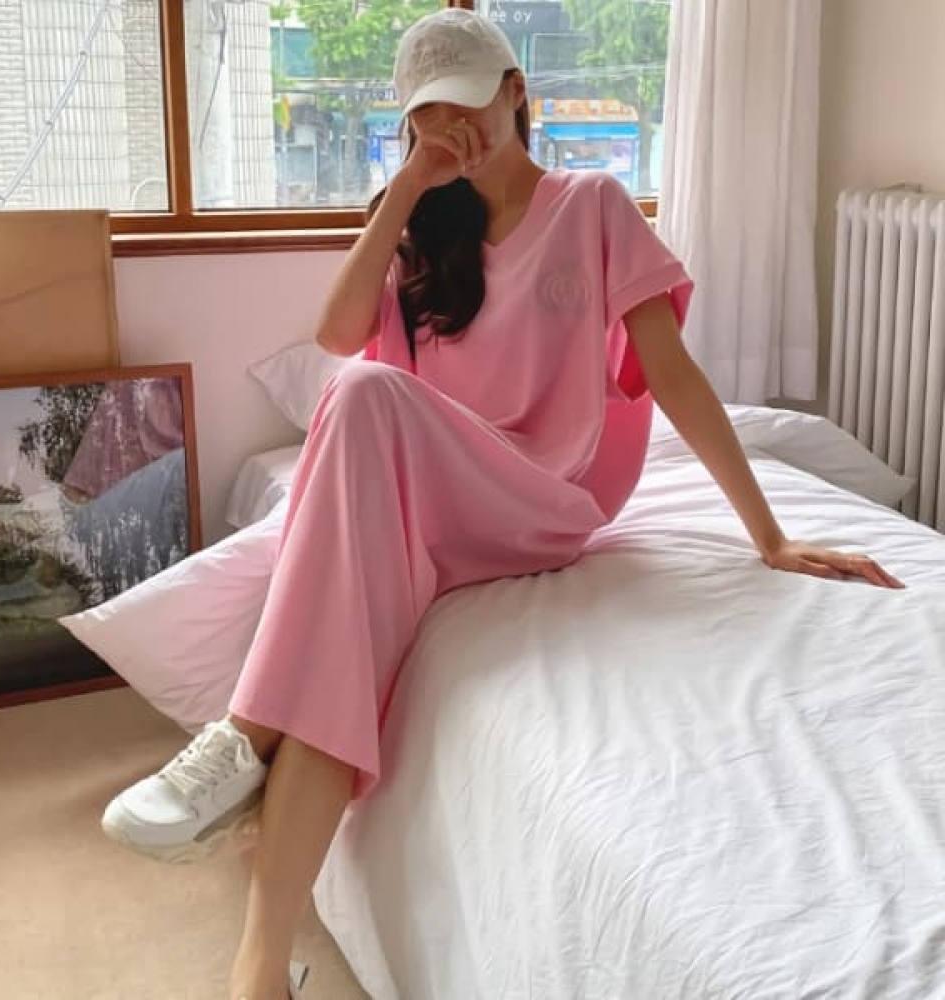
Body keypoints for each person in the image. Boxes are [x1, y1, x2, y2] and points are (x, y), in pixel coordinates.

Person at [100, 9, 904, 999]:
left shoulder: (591, 205)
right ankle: (259, 971)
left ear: (516, 92)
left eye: (471, 102)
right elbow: (337, 331)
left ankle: (239, 736)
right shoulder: (424, 233)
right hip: (442, 508)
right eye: (429, 114)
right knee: (336, 643)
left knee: (362, 395)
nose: (456, 128)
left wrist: (768, 534)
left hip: (545, 501)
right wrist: (406, 190)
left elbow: (672, 374)